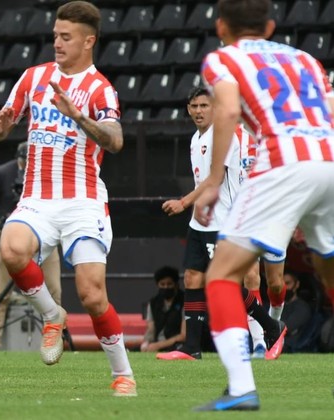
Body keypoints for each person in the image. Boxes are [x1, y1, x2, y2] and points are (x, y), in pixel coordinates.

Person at [0, 1, 136, 397]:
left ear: (88, 41)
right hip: (37, 197)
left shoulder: (99, 88)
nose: (57, 43)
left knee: (92, 294)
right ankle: (52, 315)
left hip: (82, 201)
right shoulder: (34, 77)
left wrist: (78, 116)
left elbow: (116, 141)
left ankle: (123, 373)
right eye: (55, 35)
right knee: (11, 249)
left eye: (66, 37)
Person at [193, 0, 334, 411]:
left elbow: (227, 111)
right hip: (328, 160)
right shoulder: (306, 60)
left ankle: (241, 389)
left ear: (221, 26)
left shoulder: (223, 59)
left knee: (221, 274)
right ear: (270, 26)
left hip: (282, 163)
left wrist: (213, 180)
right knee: (328, 270)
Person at [158, 87, 286, 362]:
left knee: (226, 282)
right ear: (188, 109)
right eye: (194, 106)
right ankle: (191, 347)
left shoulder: (223, 136)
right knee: (193, 278)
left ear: (214, 108)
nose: (199, 111)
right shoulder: (196, 138)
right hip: (201, 221)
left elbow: (213, 180)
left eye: (204, 106)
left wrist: (184, 203)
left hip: (223, 219)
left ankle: (271, 326)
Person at [0, 141, 62, 351]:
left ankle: (55, 338)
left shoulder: (49, 172)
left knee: (54, 290)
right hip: (11, 242)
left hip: (43, 239)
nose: (26, 165)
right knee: (0, 294)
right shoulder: (3, 173)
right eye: (24, 161)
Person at [140, 266, 185, 353]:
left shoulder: (185, 301)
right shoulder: (153, 303)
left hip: (176, 344)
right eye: (162, 284)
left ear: (176, 285)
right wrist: (146, 343)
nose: (166, 287)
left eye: (169, 284)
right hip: (156, 343)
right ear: (158, 285)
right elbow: (151, 329)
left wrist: (159, 345)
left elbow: (184, 335)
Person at [280, 271, 313, 352]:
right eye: (281, 284)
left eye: (287, 283)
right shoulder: (276, 305)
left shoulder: (302, 308)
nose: (284, 287)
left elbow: (286, 327)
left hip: (289, 346)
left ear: (297, 284)